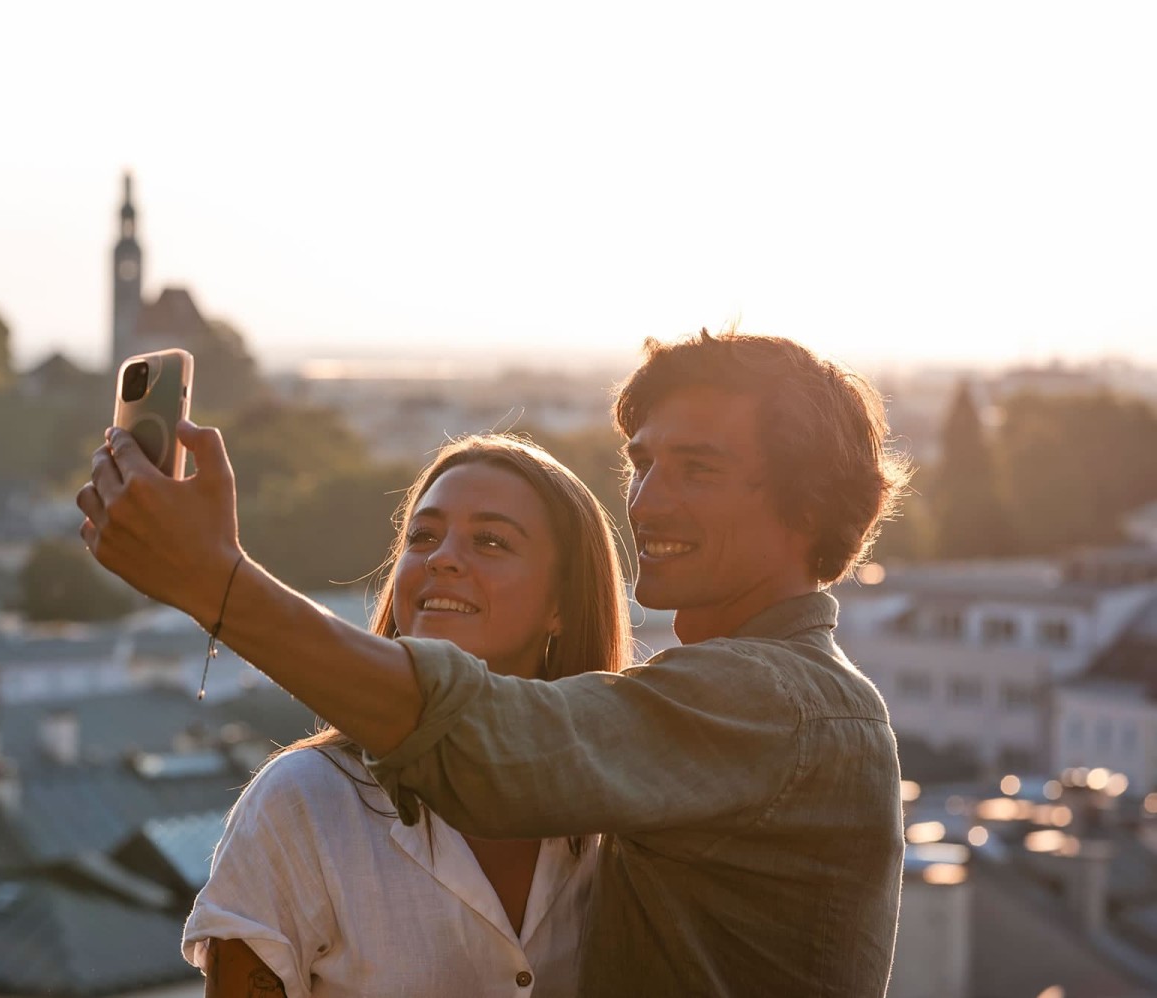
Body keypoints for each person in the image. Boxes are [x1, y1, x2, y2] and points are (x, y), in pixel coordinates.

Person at [78, 328, 913, 996]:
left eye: (697, 468)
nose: (648, 500)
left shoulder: (778, 705)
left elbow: (489, 743)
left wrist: (216, 583)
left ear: (808, 502)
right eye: (642, 463)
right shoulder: (686, 731)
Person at [181, 434, 630, 996]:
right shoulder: (305, 800)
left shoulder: (617, 808)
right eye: (423, 536)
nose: (441, 557)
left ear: (562, 603)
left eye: (490, 541)